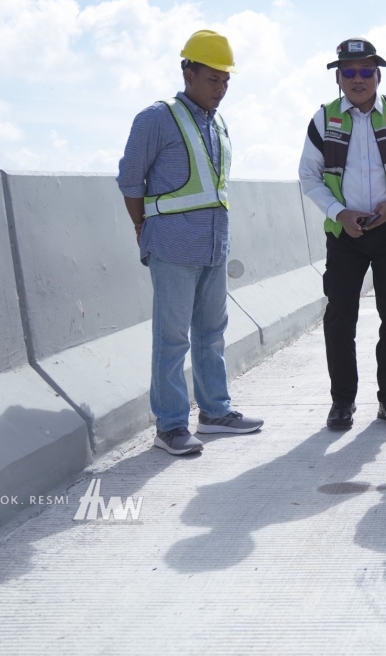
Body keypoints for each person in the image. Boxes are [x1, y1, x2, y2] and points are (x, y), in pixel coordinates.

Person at [117, 29, 264, 456]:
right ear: (188, 72)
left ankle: (216, 413)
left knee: (212, 332)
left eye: (225, 82)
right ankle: (170, 426)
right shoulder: (155, 119)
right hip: (172, 246)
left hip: (214, 246)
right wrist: (141, 229)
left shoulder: (217, 123)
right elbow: (130, 180)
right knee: (172, 337)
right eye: (212, 79)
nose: (220, 90)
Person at [299, 37, 386, 431]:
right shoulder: (324, 118)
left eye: (365, 71)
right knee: (340, 318)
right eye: (348, 72)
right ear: (338, 78)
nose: (357, 79)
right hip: (346, 236)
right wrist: (339, 213)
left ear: (377, 74)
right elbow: (308, 175)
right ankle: (342, 402)